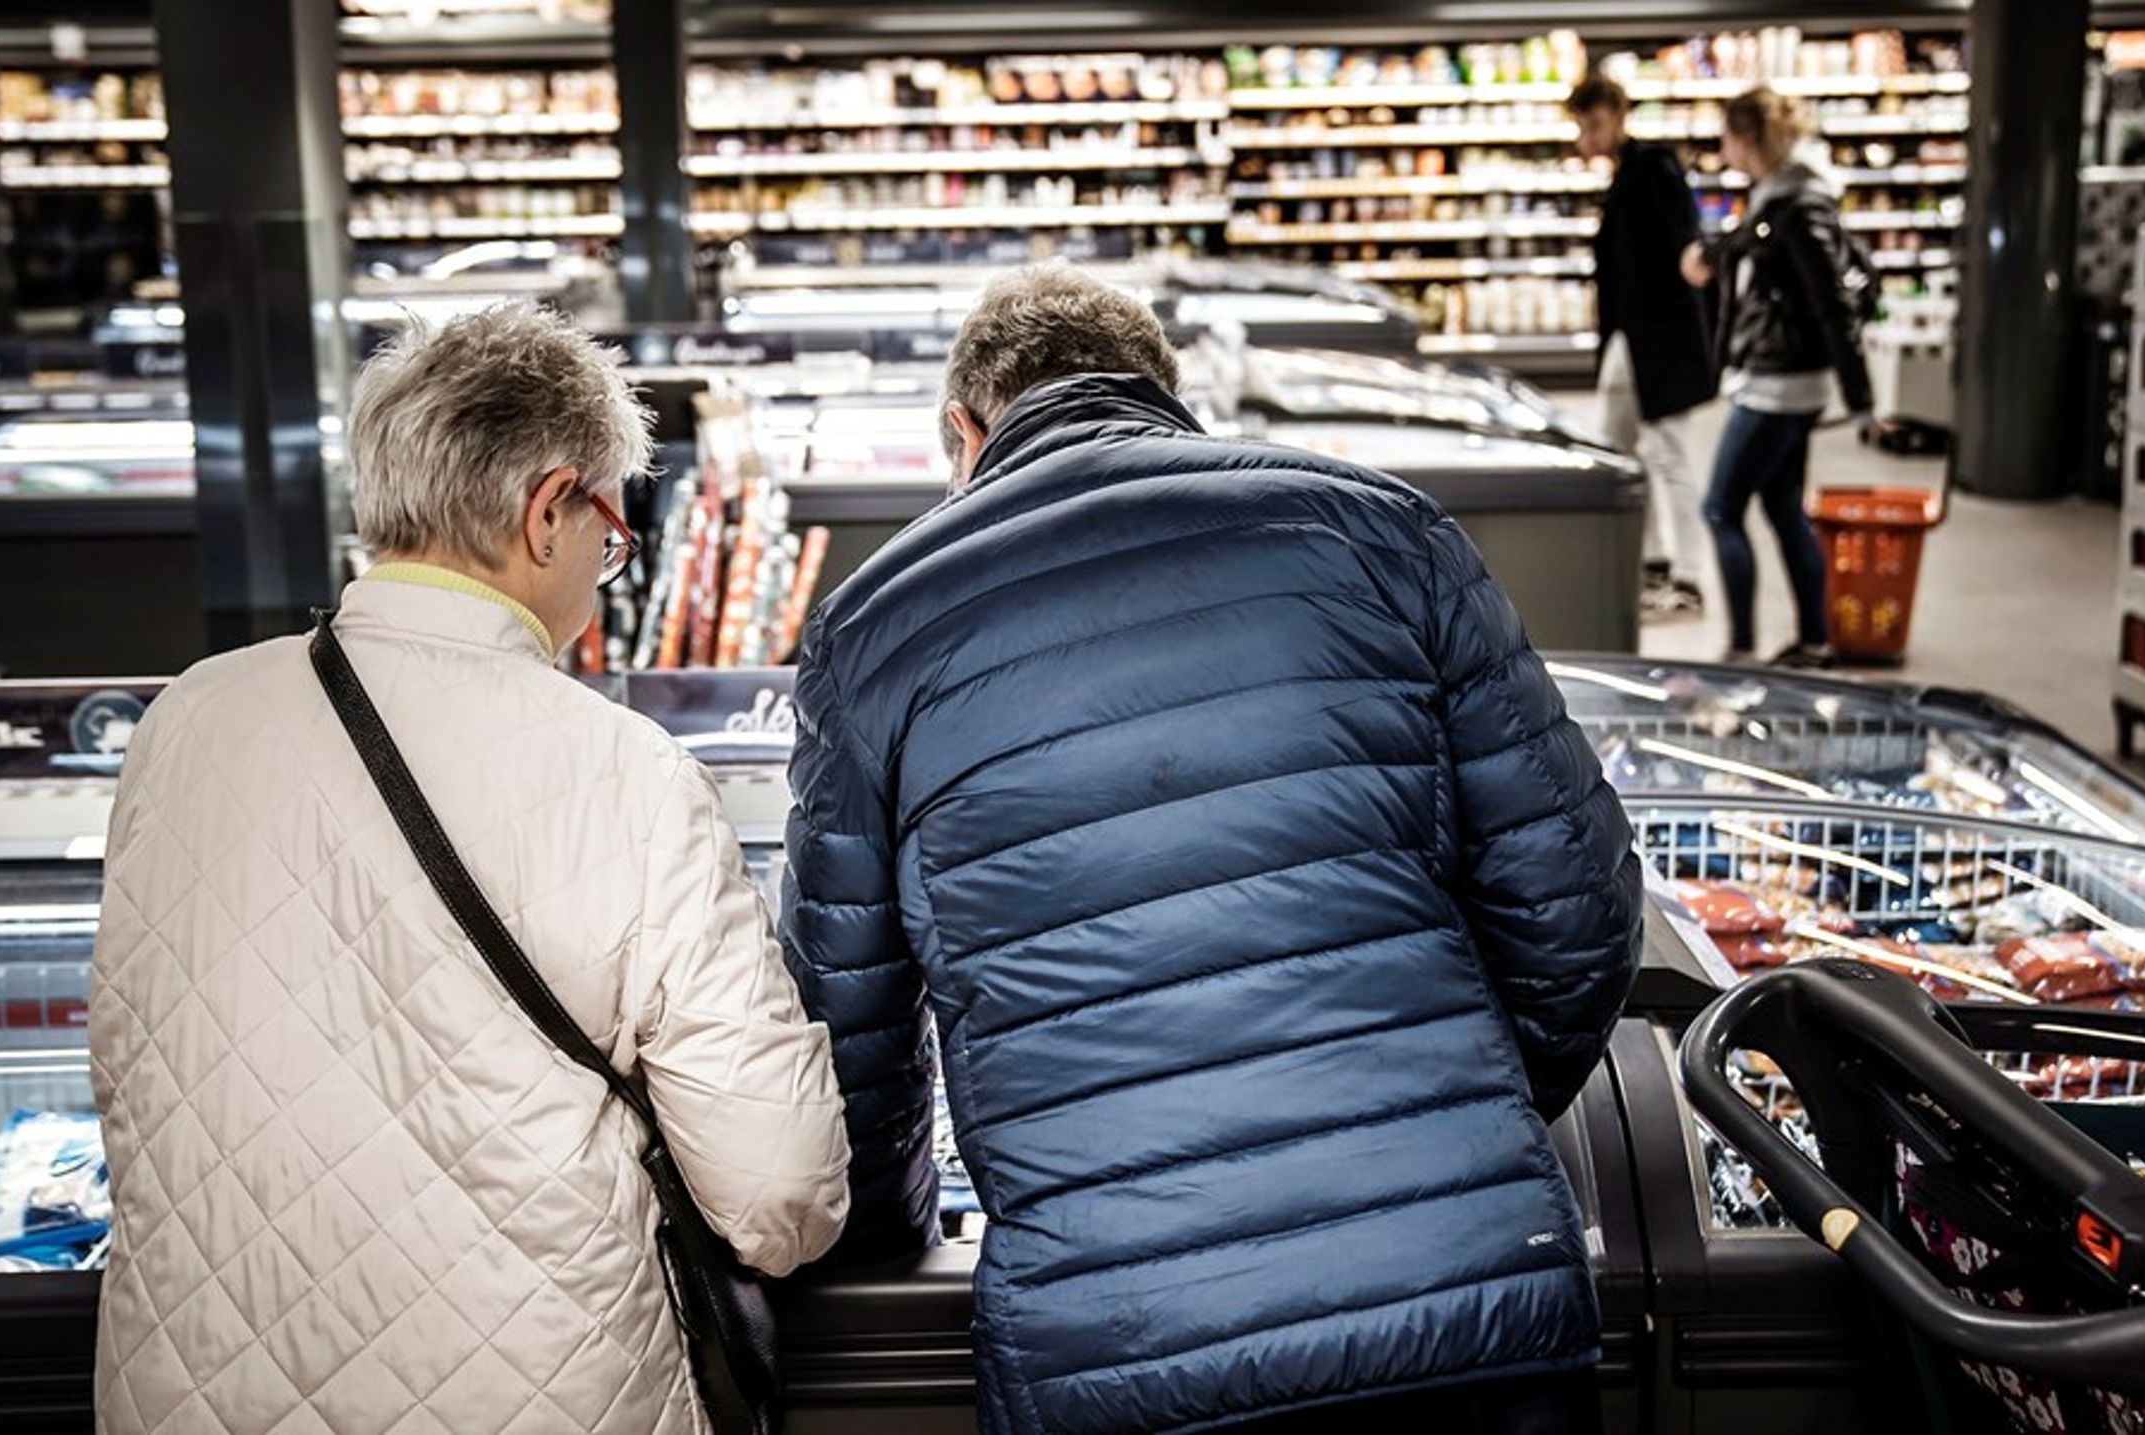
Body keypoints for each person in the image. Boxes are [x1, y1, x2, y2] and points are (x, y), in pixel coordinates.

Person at [781, 264, 1643, 1435]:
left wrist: (897, 1238)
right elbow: (1576, 908)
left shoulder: (873, 629)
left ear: (962, 431)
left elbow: (851, 1026)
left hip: (1119, 1339)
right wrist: (1460, 1115)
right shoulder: (1385, 529)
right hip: (1457, 1301)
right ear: (1162, 396)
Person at [88, 305, 851, 1434]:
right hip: (534, 1396)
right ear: (550, 511)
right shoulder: (623, 770)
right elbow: (777, 1186)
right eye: (610, 530)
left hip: (194, 1393)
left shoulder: (188, 718)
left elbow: (130, 1060)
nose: (606, 564)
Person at [1681, 85, 1875, 669]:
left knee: (1720, 508)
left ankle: (1741, 648)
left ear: (1746, 139)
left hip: (1779, 387)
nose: (1721, 147)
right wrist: (1712, 257)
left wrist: (1863, 401)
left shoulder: (1799, 206)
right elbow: (1753, 250)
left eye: (1725, 136)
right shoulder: (1780, 199)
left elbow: (1831, 305)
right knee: (1784, 506)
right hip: (1785, 381)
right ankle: (1814, 640)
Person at [1568, 72, 1719, 618]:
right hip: (1631, 342)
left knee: (1670, 454)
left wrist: (1691, 252)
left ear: (1619, 114)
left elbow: (1686, 230)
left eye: (1595, 124)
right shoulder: (1624, 173)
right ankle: (1652, 561)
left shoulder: (1654, 165)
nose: (1589, 138)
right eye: (1583, 127)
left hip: (1664, 343)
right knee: (1618, 450)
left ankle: (1691, 579)